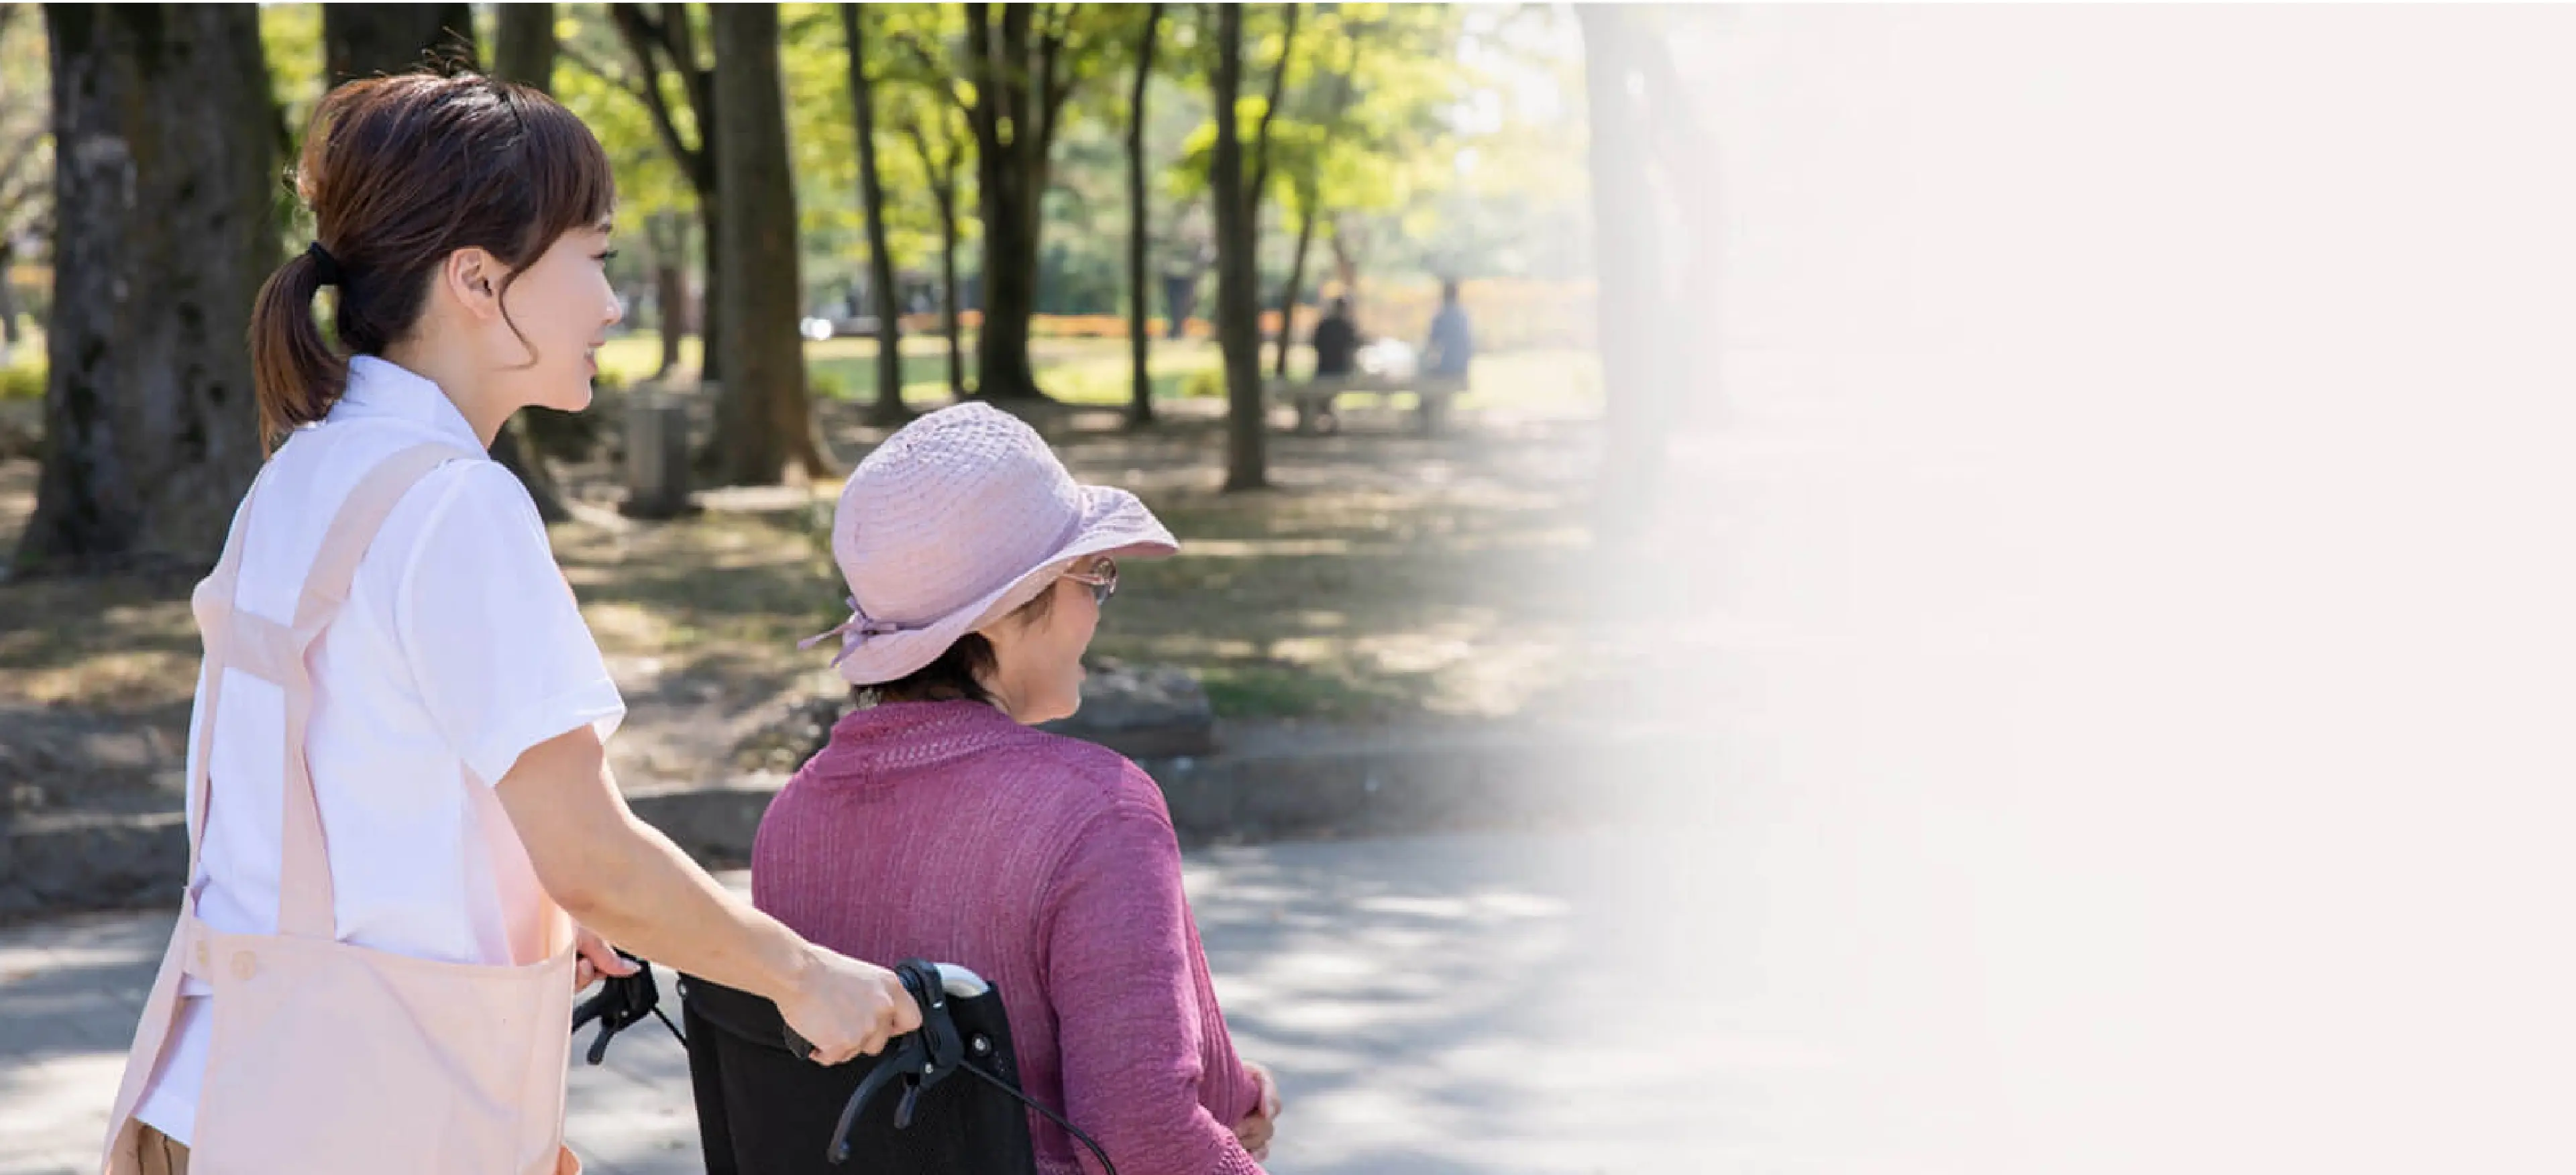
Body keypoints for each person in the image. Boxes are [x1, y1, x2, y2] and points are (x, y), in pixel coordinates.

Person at [100, 74, 917, 1175]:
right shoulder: (455, 505)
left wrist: (514, 896)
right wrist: (804, 977)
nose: (612, 304)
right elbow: (594, 859)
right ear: (480, 281)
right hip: (367, 1124)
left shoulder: (307, 470)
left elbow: (320, 787)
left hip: (223, 1090)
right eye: (597, 255)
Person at [757, 403, 1286, 1174]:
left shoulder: (792, 817)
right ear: (1004, 615)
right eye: (1092, 577)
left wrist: (1232, 1089)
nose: (1098, 610)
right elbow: (1142, 1134)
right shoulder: (1097, 811)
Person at [1423, 280, 1475, 378]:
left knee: (1424, 370)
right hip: (1462, 367)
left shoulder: (1441, 316)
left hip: (1446, 367)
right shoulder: (1464, 316)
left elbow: (1431, 342)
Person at [1309, 294, 1363, 379]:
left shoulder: (1326, 325)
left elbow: (1316, 342)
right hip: (1336, 367)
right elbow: (1353, 344)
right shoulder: (1346, 327)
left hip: (1328, 366)